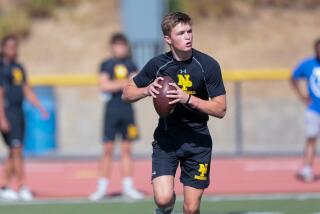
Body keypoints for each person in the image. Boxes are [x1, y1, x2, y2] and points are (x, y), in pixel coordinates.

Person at [122, 12, 227, 214]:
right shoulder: (157, 65)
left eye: (189, 31)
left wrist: (186, 98)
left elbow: (221, 108)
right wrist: (146, 90)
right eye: (181, 33)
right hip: (166, 140)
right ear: (168, 39)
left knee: (191, 208)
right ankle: (164, 209)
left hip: (197, 142)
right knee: (163, 199)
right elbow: (127, 92)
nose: (188, 37)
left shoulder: (208, 65)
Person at [89, 33, 144, 200]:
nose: (120, 49)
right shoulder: (106, 64)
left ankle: (128, 187)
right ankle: (102, 188)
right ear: (112, 47)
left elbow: (135, 84)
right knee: (107, 149)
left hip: (127, 111)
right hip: (111, 111)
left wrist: (122, 84)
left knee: (127, 149)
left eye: (123, 46)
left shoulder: (131, 64)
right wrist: (123, 83)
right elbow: (104, 85)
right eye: (117, 45)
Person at [0, 34, 48, 201]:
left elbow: (26, 89)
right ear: (3, 49)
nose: (13, 51)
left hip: (19, 112)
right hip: (7, 112)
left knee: (14, 152)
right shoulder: (1, 68)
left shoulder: (19, 68)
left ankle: (4, 186)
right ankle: (22, 186)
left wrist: (40, 107)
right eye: (9, 47)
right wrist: (2, 118)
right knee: (17, 150)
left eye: (15, 47)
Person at [291, 38, 320, 182]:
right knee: (311, 138)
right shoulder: (308, 64)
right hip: (314, 108)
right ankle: (307, 168)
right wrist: (302, 96)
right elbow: (293, 77)